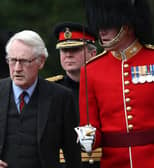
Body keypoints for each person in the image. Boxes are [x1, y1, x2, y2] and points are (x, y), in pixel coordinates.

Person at [77, 0, 154, 168]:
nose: (101, 31)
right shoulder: (91, 70)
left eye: (109, 25)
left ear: (127, 25)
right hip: (114, 162)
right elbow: (91, 125)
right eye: (99, 24)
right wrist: (88, 138)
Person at [0, 30, 81, 168]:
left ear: (41, 61)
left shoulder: (61, 97)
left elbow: (73, 155)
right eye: (13, 60)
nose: (17, 68)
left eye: (24, 61)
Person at [46, 22, 101, 168]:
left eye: (75, 49)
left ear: (92, 53)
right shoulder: (50, 90)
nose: (68, 54)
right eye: (64, 50)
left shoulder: (107, 86)